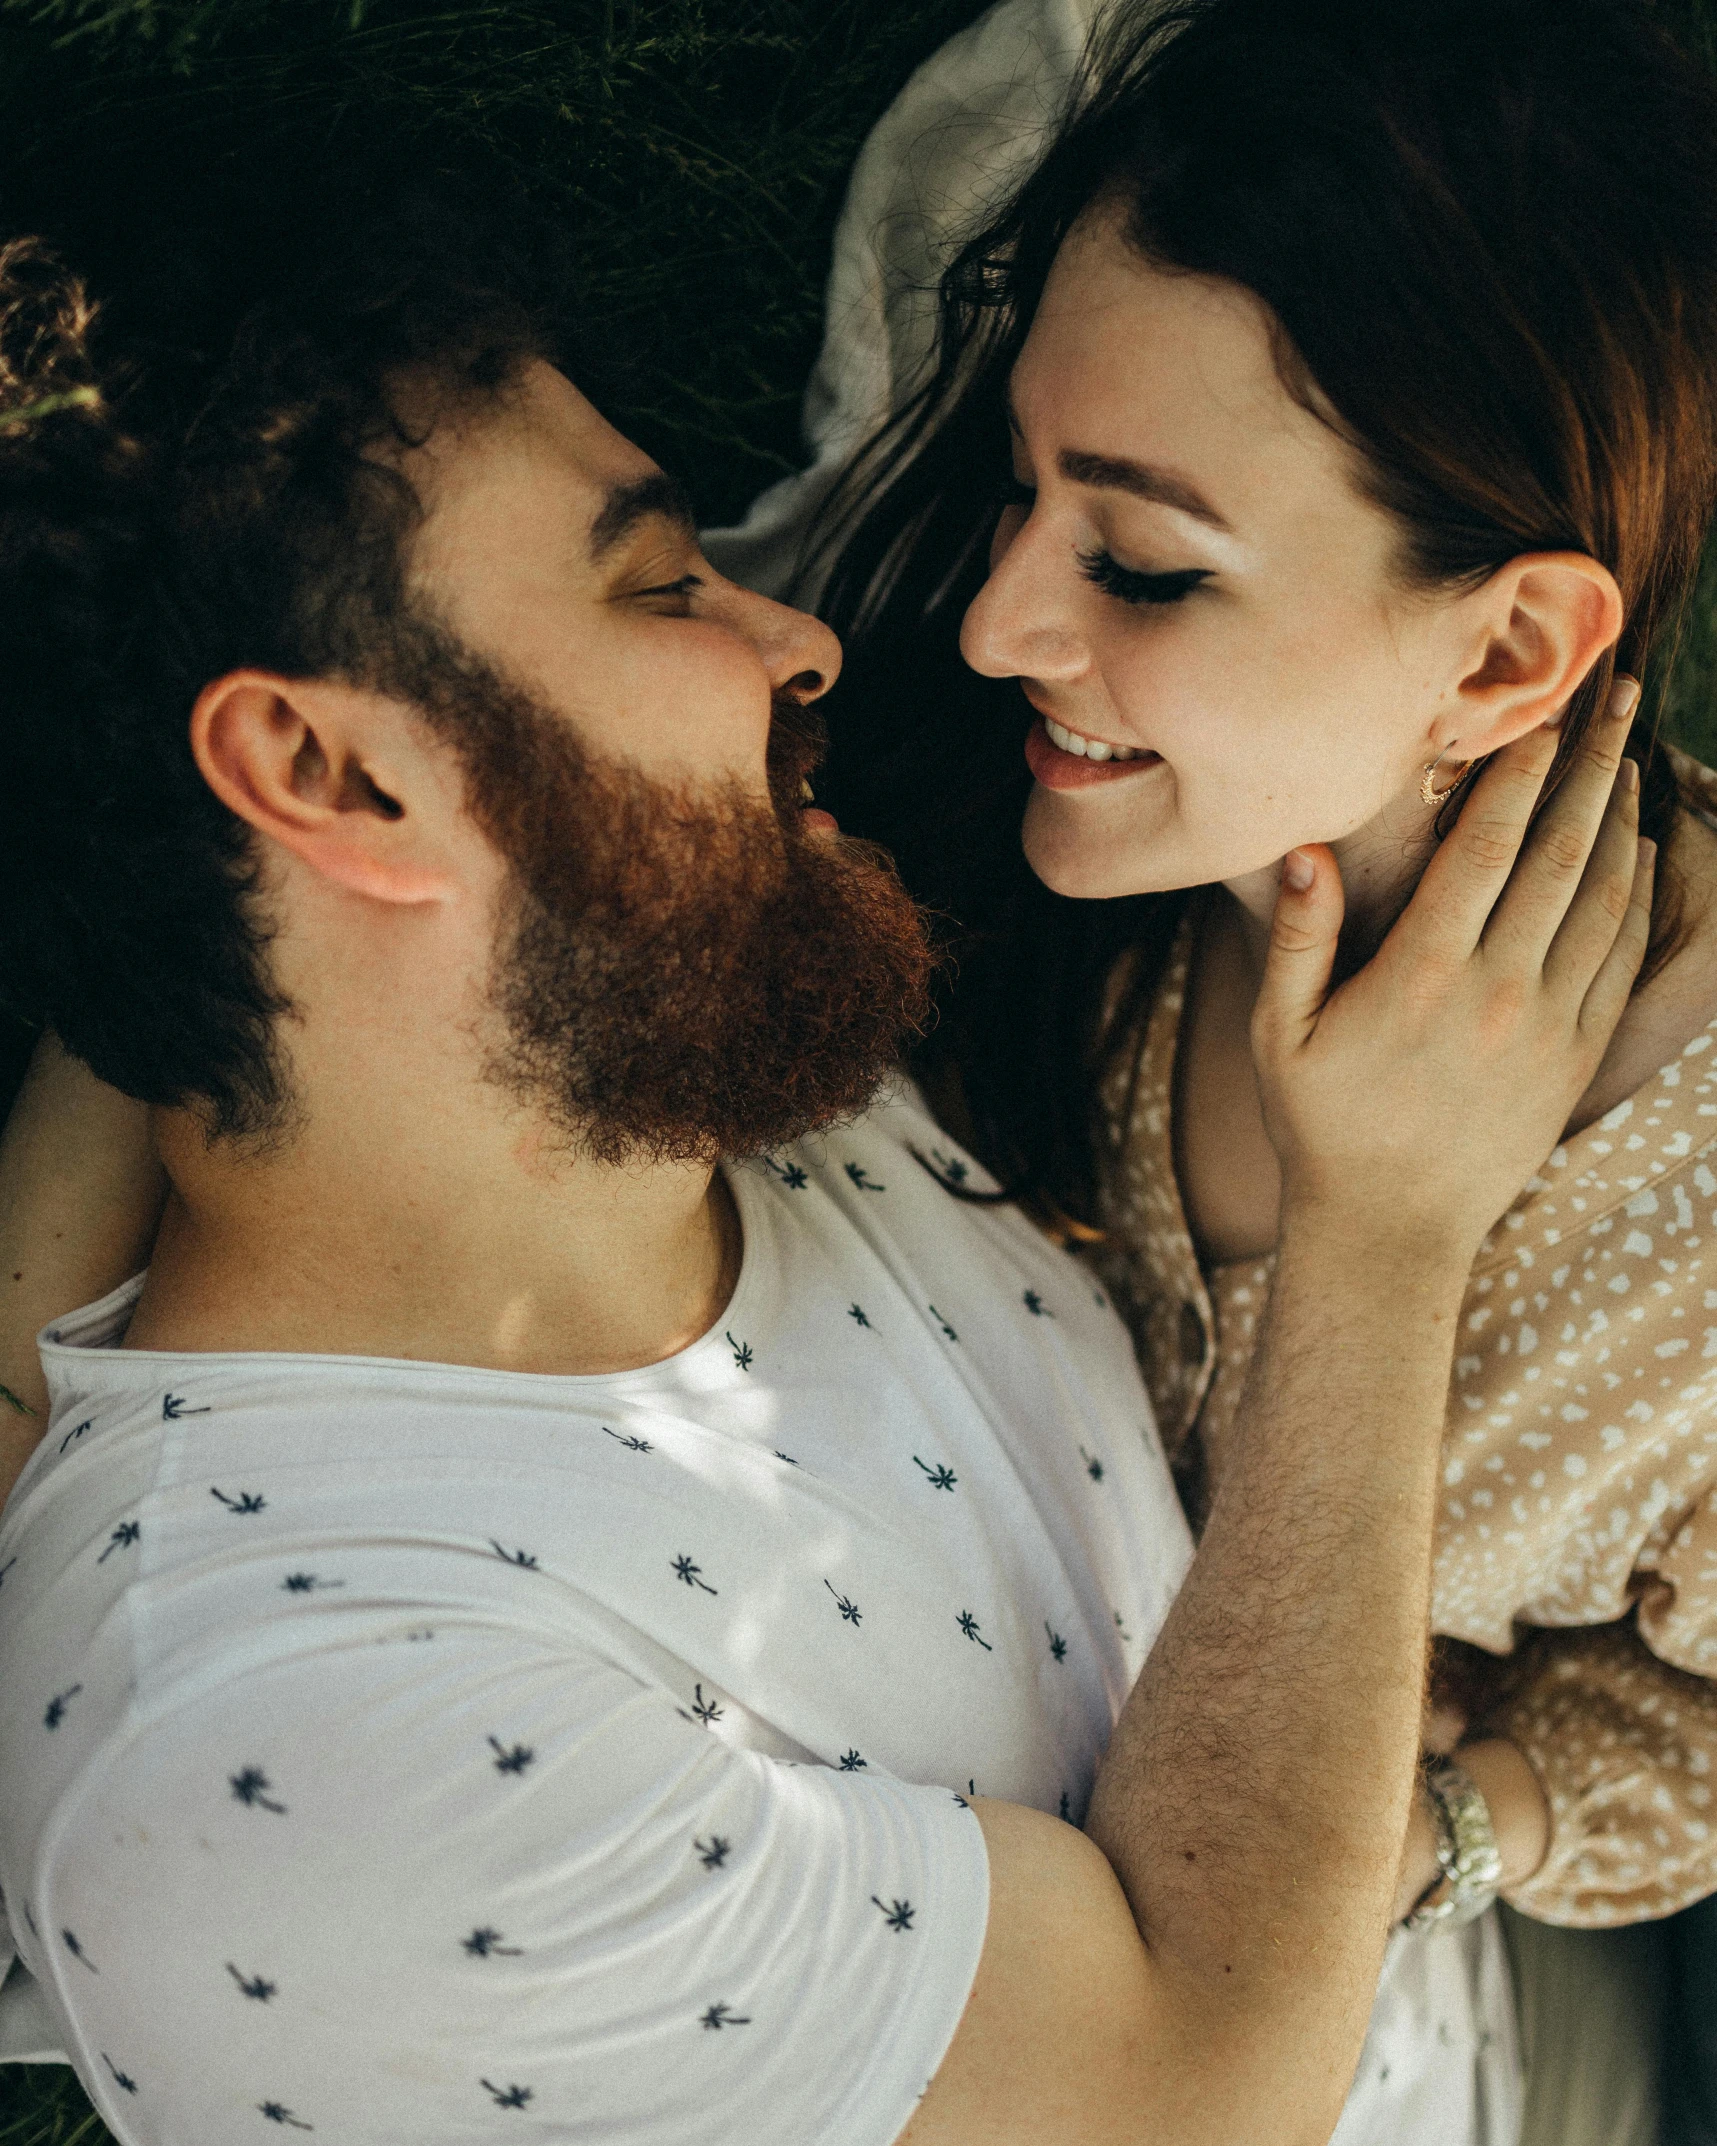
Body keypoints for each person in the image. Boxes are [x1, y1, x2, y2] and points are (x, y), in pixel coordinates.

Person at [0, 153, 1652, 2146]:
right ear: (335, 774)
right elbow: (1203, 2089)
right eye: (660, 582)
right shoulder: (309, 1773)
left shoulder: (637, 1022)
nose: (802, 643)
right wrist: (1385, 1229)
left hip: (1505, 1925)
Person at [730, 0, 1717, 2137]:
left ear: (1509, 651)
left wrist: (1467, 1828)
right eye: (1019, 487)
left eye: (1145, 565)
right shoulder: (1049, 806)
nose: (1000, 621)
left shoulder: (1692, 1251)